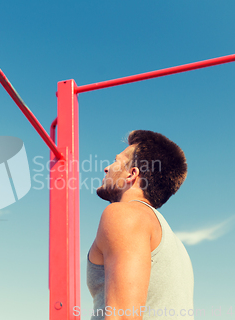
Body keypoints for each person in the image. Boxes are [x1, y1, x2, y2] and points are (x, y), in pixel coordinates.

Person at [86, 130, 194, 320]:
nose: (107, 168)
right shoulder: (174, 244)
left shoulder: (124, 215)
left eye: (116, 161)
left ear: (131, 175)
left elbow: (123, 317)